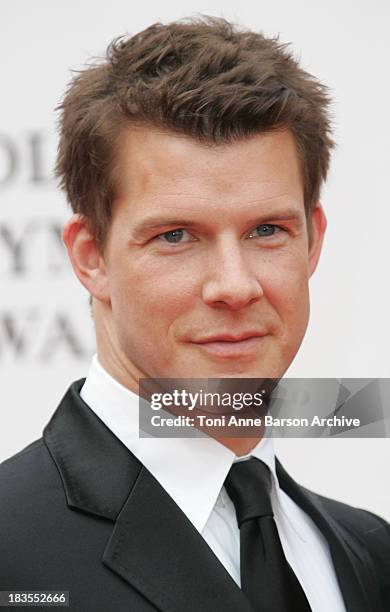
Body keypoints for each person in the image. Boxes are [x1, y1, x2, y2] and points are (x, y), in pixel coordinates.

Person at [0, 16, 389, 612]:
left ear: (313, 241)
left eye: (267, 230)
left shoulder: (370, 553)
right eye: (176, 236)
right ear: (90, 257)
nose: (235, 286)